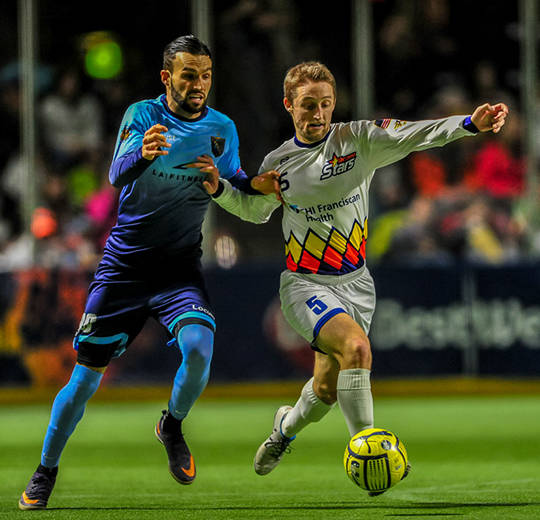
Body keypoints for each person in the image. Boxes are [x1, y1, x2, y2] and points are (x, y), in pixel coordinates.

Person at [195, 61, 508, 486]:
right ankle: (368, 448)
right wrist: (219, 189)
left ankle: (284, 428)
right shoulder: (279, 162)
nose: (318, 113)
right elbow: (254, 211)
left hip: (357, 284)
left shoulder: (358, 139)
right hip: (305, 284)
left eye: (325, 104)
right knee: (357, 348)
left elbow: (417, 134)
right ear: (289, 105)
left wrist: (469, 123)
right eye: (308, 104)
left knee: (326, 390)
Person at [18, 34, 275, 510]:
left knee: (199, 349)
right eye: (188, 75)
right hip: (125, 268)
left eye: (205, 76)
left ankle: (171, 425)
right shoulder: (142, 116)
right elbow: (116, 175)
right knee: (84, 381)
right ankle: (45, 470)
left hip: (179, 268)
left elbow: (236, 179)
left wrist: (261, 184)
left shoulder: (221, 128)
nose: (199, 85)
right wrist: (143, 154)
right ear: (166, 77)